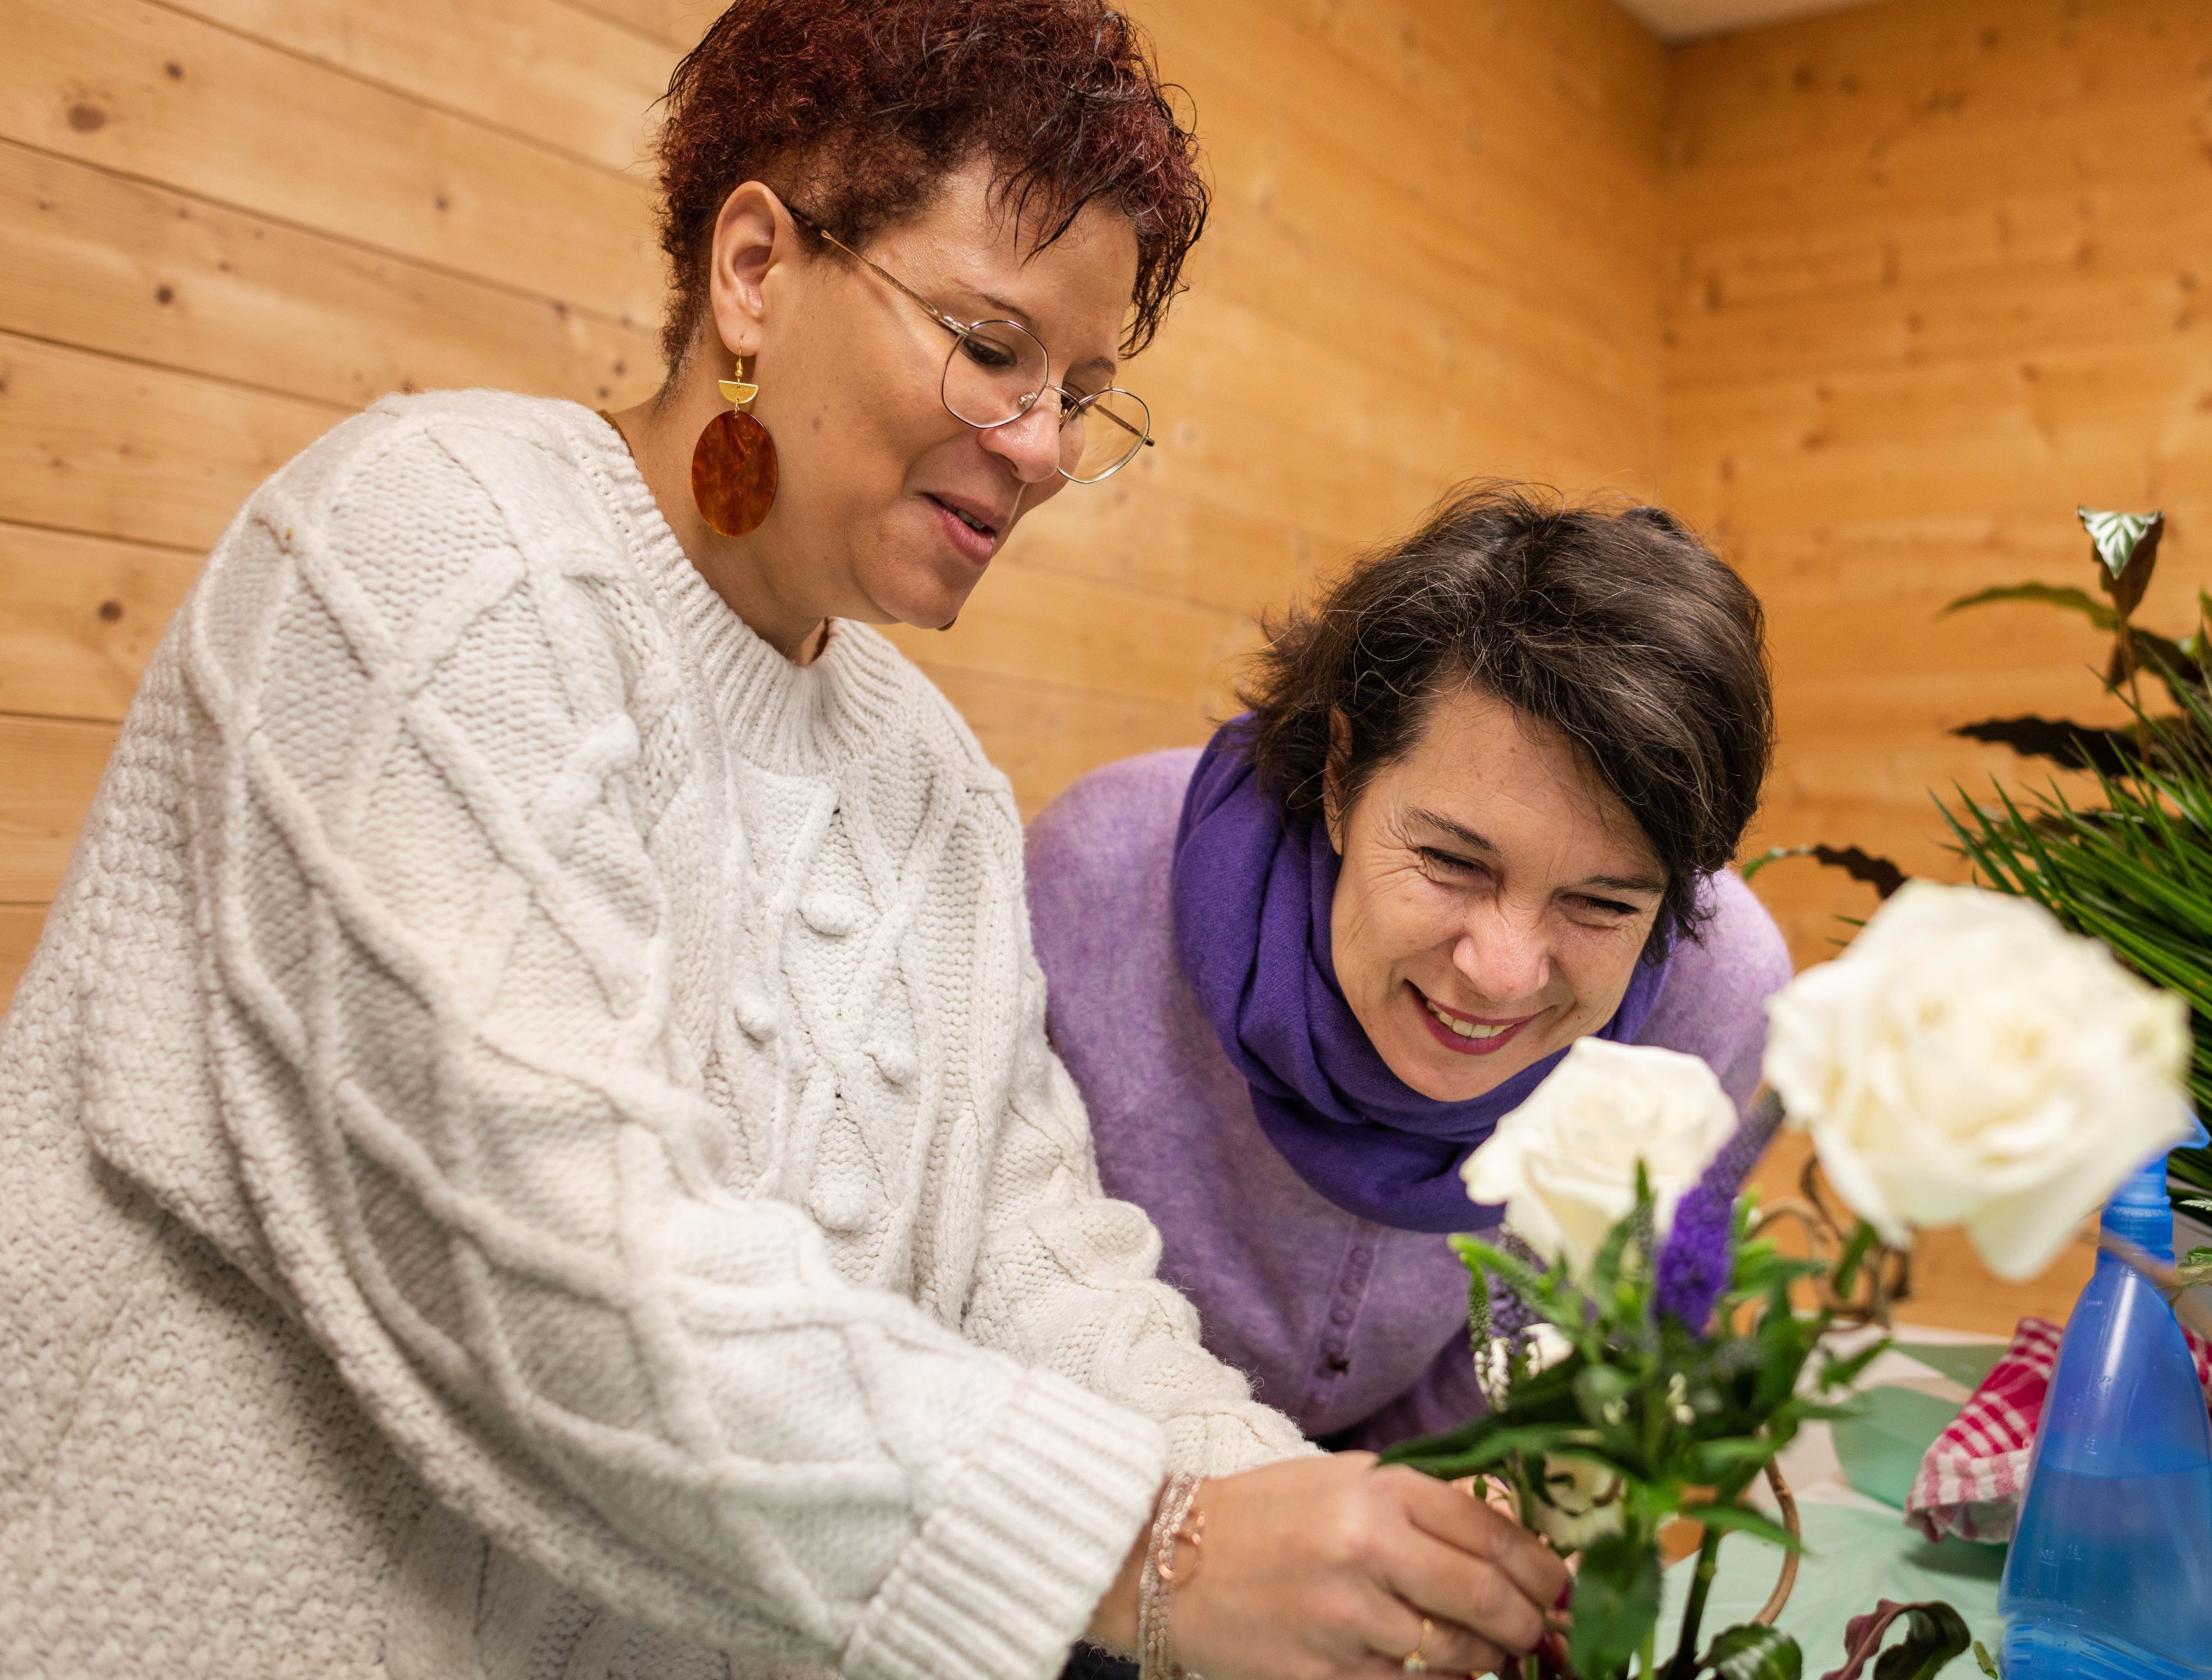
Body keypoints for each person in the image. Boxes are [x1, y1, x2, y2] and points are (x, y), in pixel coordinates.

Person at [0, 5, 1567, 1677]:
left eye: (1081, 394)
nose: (1040, 445)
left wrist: (1352, 1557)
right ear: (754, 265)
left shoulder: (935, 786)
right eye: (987, 344)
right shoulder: (437, 553)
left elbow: (1037, 1272)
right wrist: (1153, 1547)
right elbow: (560, 1272)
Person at [1028, 488, 1792, 1449]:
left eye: (1601, 902)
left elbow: (1564, 1354)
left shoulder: (1713, 991)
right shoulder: (1099, 877)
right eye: (1451, 862)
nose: (1503, 973)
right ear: (1342, 777)